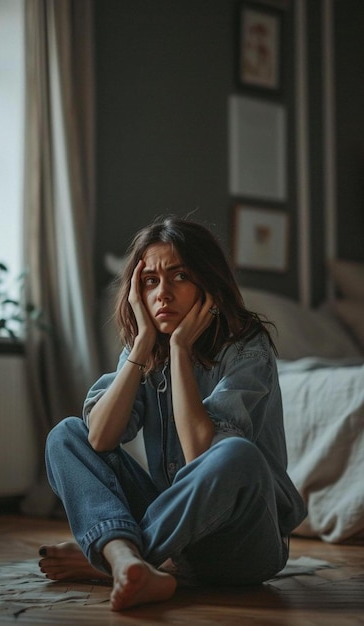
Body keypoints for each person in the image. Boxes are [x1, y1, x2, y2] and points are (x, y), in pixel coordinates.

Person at [38, 214, 307, 612]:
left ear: (207, 282)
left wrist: (181, 351)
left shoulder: (247, 348)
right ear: (137, 292)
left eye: (179, 277)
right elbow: (100, 439)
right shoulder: (147, 348)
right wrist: (143, 343)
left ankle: (114, 555)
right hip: (179, 531)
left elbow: (203, 454)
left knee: (235, 453)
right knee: (67, 434)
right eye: (150, 281)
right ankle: (127, 560)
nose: (163, 293)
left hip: (244, 545)